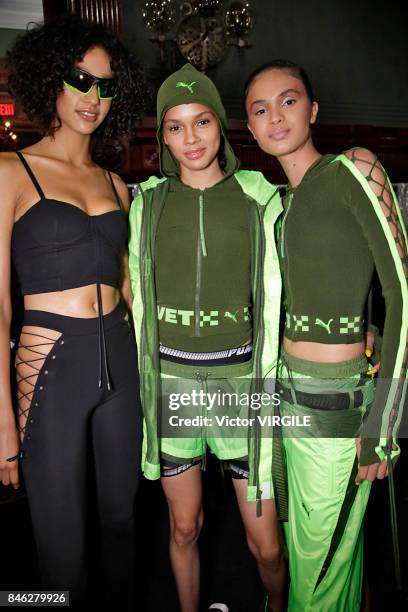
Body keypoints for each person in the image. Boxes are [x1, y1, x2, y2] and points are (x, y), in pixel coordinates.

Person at [245, 59, 408, 611]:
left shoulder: (355, 169)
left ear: (313, 110)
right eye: (260, 109)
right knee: (326, 558)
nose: (275, 117)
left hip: (339, 405)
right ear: (249, 127)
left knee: (317, 578)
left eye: (288, 101)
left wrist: (385, 422)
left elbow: (403, 295)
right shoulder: (281, 205)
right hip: (287, 398)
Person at [128, 63, 286, 612]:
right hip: (173, 386)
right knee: (184, 529)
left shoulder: (258, 199)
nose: (190, 138)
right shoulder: (147, 204)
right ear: (163, 134)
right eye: (175, 126)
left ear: (221, 126)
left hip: (239, 386)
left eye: (201, 122)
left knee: (267, 548)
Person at [0, 15, 144, 609]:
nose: (92, 98)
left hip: (122, 359)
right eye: (80, 79)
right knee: (61, 548)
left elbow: (131, 289)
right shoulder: (10, 172)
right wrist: (3, 423)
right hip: (50, 364)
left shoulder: (119, 184)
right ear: (50, 80)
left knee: (122, 521)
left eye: (106, 86)